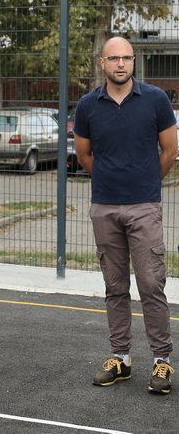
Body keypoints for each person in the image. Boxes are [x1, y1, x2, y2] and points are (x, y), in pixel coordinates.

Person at [74, 36, 177, 394]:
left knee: (151, 284)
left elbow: (170, 150)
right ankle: (120, 358)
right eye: (114, 58)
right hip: (104, 207)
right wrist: (109, 182)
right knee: (115, 286)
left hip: (144, 206)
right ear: (101, 62)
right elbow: (84, 155)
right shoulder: (88, 105)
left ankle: (162, 360)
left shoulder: (156, 99)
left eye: (127, 58)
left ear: (134, 61)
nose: (121, 64)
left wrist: (145, 183)